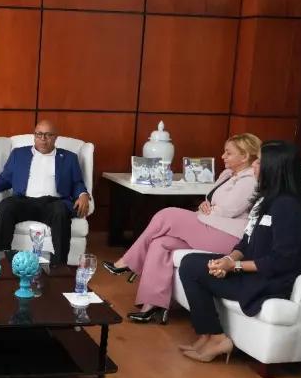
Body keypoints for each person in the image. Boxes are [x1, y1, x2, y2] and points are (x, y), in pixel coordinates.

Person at [102, 134, 262, 324]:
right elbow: (211, 200)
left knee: (167, 214)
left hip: (230, 238)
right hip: (212, 226)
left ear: (245, 157)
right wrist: (205, 205)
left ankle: (128, 262)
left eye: (229, 153)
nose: (223, 156)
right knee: (160, 242)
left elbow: (229, 209)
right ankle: (152, 304)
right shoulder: (228, 174)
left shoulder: (250, 179)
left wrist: (209, 210)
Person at [178, 140, 301, 363]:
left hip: (270, 281)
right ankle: (208, 335)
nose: (254, 166)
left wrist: (235, 266)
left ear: (274, 168)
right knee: (191, 263)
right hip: (250, 270)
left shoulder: (288, 206)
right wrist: (228, 259)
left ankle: (217, 339)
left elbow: (282, 260)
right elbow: (246, 242)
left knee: (192, 269)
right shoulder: (267, 199)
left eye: (259, 162)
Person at [0, 120, 90, 265]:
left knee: (61, 212)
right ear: (34, 136)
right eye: (39, 134)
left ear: (56, 137)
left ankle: (59, 266)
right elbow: (5, 178)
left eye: (48, 135)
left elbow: (77, 182)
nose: (43, 139)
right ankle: (0, 260)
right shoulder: (18, 154)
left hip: (54, 203)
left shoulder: (69, 158)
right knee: (6, 207)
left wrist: (83, 194)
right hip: (24, 201)